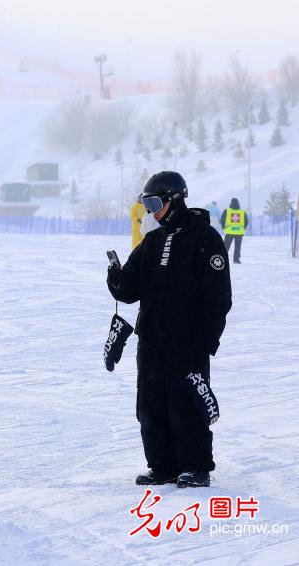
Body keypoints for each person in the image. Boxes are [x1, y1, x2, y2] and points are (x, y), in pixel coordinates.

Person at [107, 171, 232, 488]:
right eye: (146, 204)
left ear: (175, 199)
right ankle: (162, 466)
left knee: (186, 402)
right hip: (151, 341)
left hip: (186, 342)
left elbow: (219, 296)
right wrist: (116, 277)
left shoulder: (205, 239)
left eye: (154, 202)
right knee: (151, 404)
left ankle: (195, 466)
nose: (151, 211)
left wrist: (206, 340)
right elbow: (129, 290)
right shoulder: (152, 241)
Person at [221, 198, 247, 264]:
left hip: (229, 231)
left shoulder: (227, 210)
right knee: (238, 247)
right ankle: (236, 260)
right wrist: (244, 228)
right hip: (239, 232)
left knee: (226, 246)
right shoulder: (242, 212)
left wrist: (223, 227)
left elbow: (222, 219)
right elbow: (246, 221)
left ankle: (222, 259)